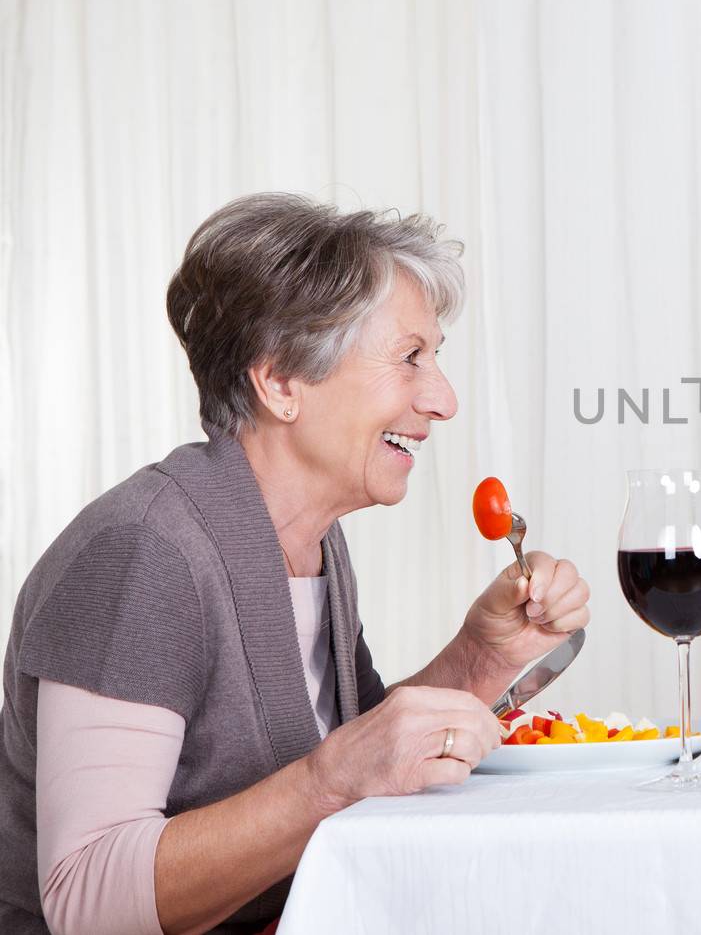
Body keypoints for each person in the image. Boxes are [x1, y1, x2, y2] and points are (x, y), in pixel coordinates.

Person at [0, 194, 592, 934]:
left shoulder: (311, 543)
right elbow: (86, 895)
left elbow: (365, 752)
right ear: (280, 382)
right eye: (410, 357)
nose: (443, 399)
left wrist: (479, 658)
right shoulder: (142, 552)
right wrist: (329, 781)